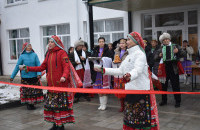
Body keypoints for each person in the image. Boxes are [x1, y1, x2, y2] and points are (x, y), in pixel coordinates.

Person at [94, 32, 159, 130]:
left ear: (135, 41)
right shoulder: (129, 55)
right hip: (130, 90)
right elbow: (120, 70)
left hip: (140, 91)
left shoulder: (140, 54)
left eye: (129, 40)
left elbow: (138, 70)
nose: (126, 42)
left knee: (140, 121)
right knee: (130, 119)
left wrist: (129, 75)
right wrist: (104, 70)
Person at [22, 36, 75, 130]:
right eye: (49, 42)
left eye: (51, 42)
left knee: (59, 107)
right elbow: (41, 67)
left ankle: (60, 125)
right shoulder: (48, 54)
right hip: (51, 86)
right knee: (52, 107)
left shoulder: (62, 53)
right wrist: (28, 68)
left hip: (60, 86)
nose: (49, 43)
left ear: (56, 43)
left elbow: (66, 67)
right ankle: (55, 124)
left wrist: (64, 76)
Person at [10, 42, 43, 110]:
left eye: (30, 46)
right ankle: (28, 104)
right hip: (25, 77)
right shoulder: (22, 56)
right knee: (27, 92)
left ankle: (33, 103)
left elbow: (38, 65)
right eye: (28, 46)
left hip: (34, 77)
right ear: (25, 48)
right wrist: (12, 76)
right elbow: (17, 66)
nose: (30, 47)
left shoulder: (34, 55)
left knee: (34, 91)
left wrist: (39, 74)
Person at [158, 32, 186, 108]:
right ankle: (164, 100)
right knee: (164, 86)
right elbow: (155, 58)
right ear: (162, 41)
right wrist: (159, 55)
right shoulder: (161, 48)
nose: (166, 41)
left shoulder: (175, 46)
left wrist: (178, 52)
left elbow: (184, 54)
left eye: (167, 39)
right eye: (164, 40)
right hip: (164, 68)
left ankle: (178, 101)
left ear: (169, 39)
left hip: (173, 68)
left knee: (175, 85)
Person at [91, 37, 113, 110]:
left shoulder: (108, 50)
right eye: (100, 41)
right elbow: (93, 57)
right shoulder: (95, 49)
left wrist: (103, 59)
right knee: (98, 88)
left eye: (102, 41)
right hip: (97, 71)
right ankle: (101, 104)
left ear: (104, 42)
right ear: (98, 42)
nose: (101, 43)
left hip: (104, 71)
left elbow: (110, 60)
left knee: (104, 88)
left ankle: (104, 104)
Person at [112, 38, 128, 112]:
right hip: (118, 73)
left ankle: (127, 106)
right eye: (120, 43)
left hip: (125, 73)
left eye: (123, 43)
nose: (121, 44)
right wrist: (114, 61)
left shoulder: (128, 52)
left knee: (126, 91)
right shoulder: (116, 51)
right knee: (120, 91)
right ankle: (122, 106)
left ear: (126, 44)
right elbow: (115, 60)